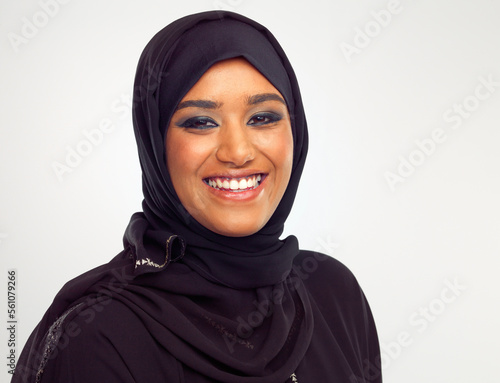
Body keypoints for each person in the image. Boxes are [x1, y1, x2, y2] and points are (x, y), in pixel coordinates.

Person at [13, 10, 382, 383]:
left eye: (263, 117)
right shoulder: (100, 336)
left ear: (296, 130)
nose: (238, 152)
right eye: (201, 122)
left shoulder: (333, 293)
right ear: (156, 144)